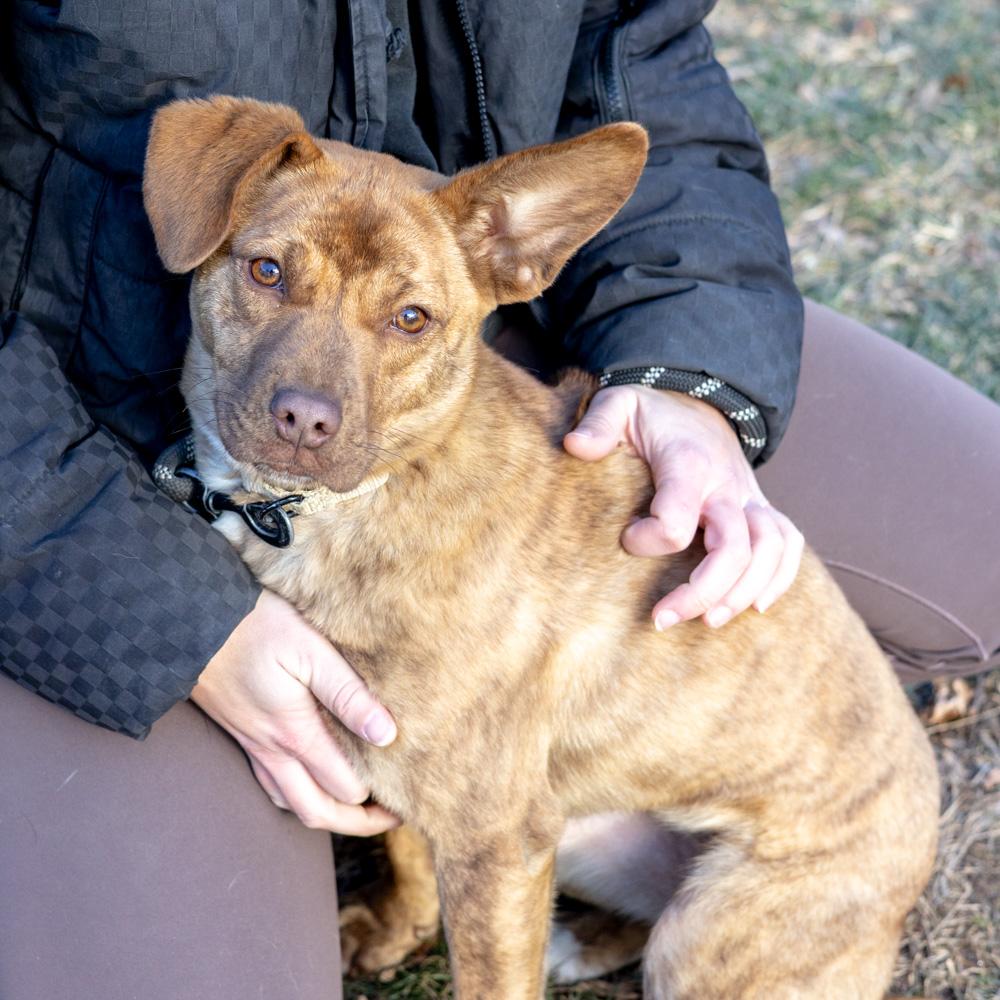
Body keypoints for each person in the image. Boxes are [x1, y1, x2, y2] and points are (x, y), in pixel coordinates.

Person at [1, 2, 997, 998]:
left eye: (401, 320)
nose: (308, 403)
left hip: (483, 316)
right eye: (270, 275)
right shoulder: (229, 186)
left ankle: (602, 863)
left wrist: (689, 374)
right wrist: (171, 623)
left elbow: (635, 51)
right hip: (62, 410)